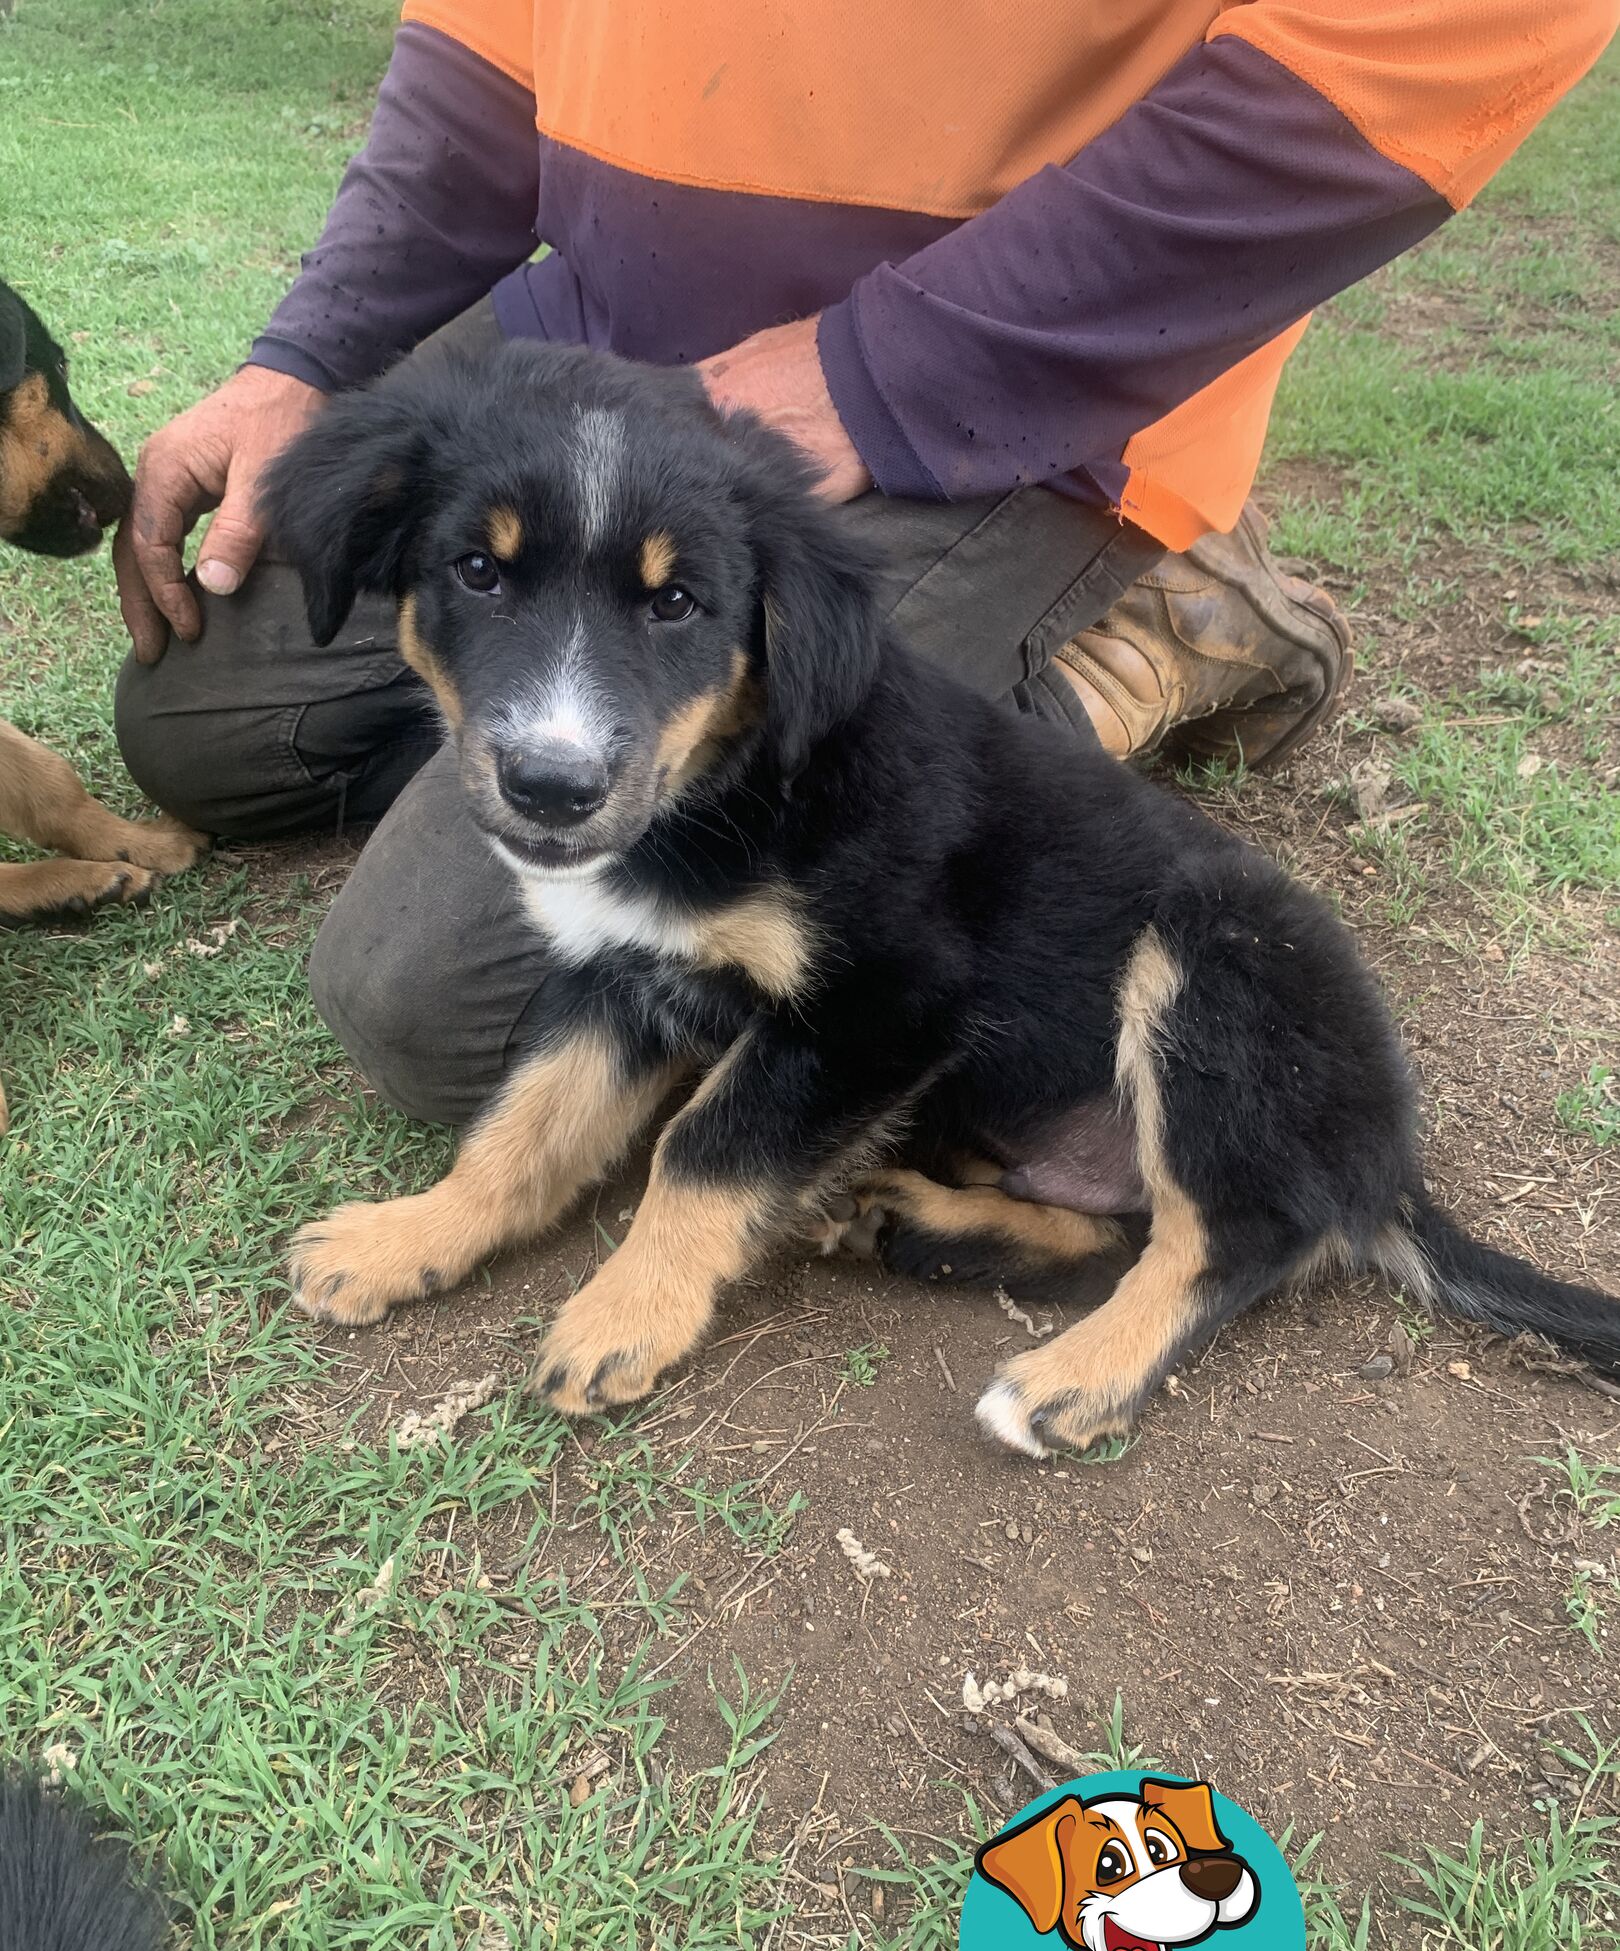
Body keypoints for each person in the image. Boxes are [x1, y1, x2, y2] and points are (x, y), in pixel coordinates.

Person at [114, 0, 1614, 1127]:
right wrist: (310, 354)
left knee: (434, 1001)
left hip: (990, 399)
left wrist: (887, 363)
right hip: (604, 337)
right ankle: (711, 680)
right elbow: (490, 40)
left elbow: (1436, 38)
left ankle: (1148, 620)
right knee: (197, 720)